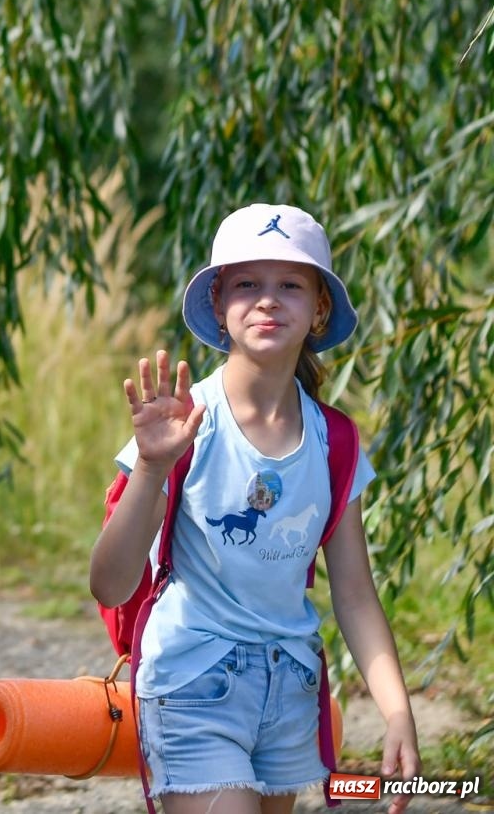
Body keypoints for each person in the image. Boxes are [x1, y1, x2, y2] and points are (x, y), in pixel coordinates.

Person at [89, 204, 420, 814]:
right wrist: (153, 466)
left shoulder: (336, 442)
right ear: (219, 304)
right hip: (194, 683)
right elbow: (110, 585)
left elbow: (354, 595)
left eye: (290, 284)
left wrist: (397, 711)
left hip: (291, 690)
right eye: (247, 283)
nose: (268, 300)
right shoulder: (183, 426)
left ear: (319, 308)